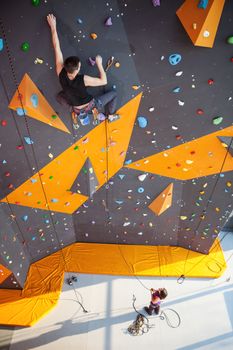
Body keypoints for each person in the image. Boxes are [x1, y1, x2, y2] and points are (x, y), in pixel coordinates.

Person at [47, 14, 119, 127]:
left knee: (59, 96)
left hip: (76, 108)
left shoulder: (60, 71)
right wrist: (99, 64)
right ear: (76, 71)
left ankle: (74, 111)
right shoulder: (83, 79)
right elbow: (103, 81)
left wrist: (53, 27)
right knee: (114, 94)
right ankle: (110, 115)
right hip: (91, 106)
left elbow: (56, 47)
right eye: (79, 66)